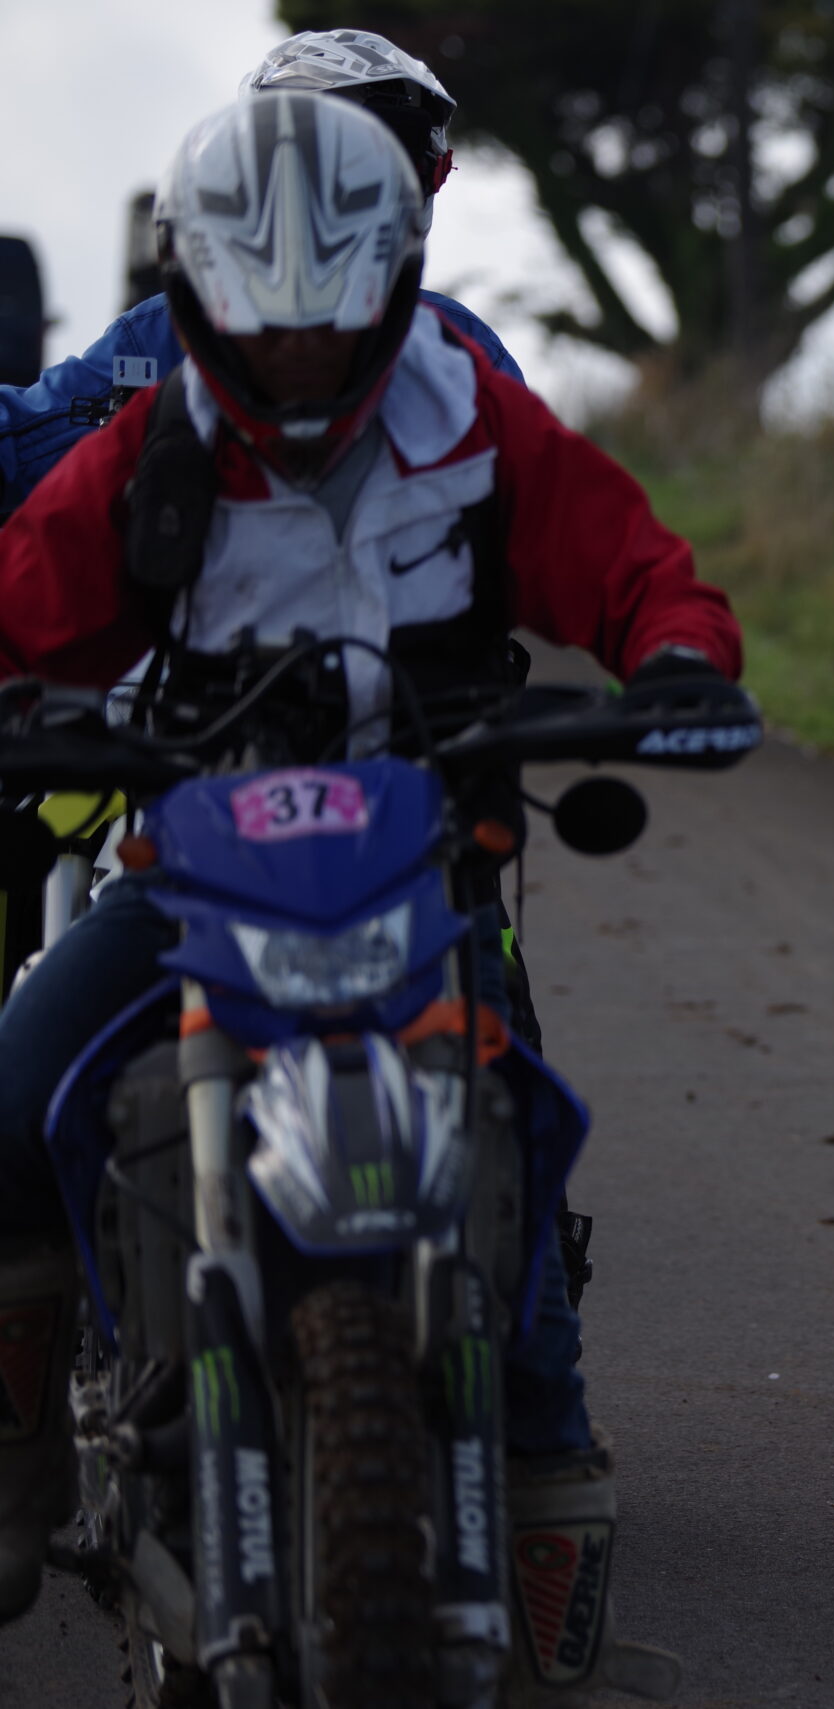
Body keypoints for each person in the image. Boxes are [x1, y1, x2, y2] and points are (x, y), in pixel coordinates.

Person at [0, 93, 739, 1702]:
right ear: (198, 292)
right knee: (14, 1085)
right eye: (262, 320)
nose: (299, 355)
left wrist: (679, 657)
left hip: (423, 869)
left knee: (517, 1144)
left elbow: (630, 562)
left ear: (397, 278)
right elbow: (27, 597)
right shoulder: (149, 442)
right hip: (198, 875)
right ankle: (20, 1461)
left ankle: (545, 1478)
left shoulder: (477, 419)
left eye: (331, 319)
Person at [0, 29, 518, 519]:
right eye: (346, 164)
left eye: (391, 164)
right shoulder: (168, 332)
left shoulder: (462, 350)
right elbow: (20, 447)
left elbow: (548, 521)